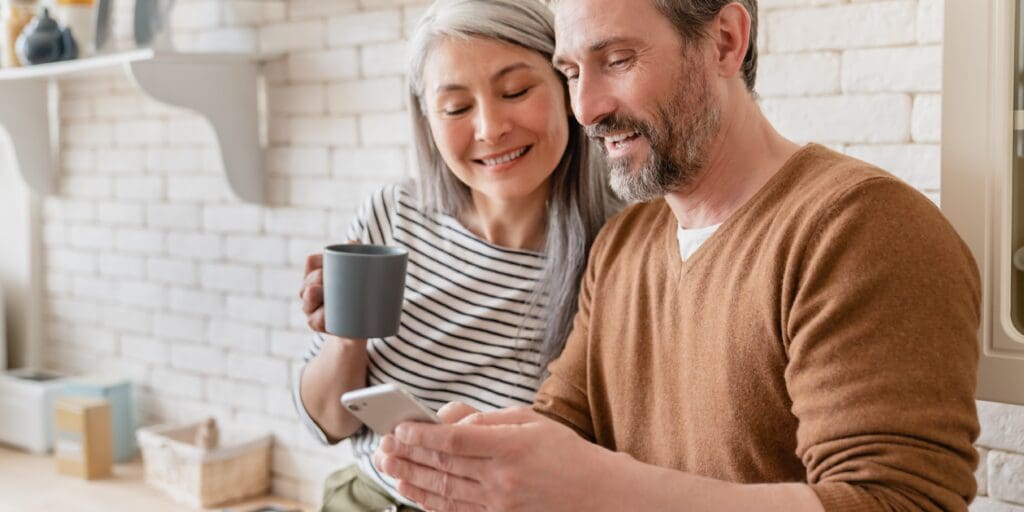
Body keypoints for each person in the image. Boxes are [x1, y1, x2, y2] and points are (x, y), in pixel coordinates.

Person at [372, 0, 982, 511]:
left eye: (616, 60)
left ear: (723, 41)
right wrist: (486, 457)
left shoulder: (860, 228)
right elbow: (563, 424)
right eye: (572, 72)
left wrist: (600, 487)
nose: (585, 109)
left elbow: (898, 501)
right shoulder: (622, 246)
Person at [293, 1, 619, 510]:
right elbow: (329, 423)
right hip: (365, 497)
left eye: (515, 91)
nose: (489, 128)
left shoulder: (618, 248)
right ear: (427, 120)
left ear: (566, 86)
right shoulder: (394, 214)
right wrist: (343, 336)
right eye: (456, 108)